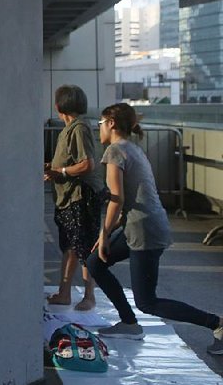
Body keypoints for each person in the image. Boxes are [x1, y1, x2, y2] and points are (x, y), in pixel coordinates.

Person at [86, 103, 223, 355]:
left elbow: (116, 200)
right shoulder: (133, 149)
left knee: (147, 302)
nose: (99, 129)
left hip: (144, 231)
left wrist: (104, 235)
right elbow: (126, 200)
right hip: (142, 226)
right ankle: (128, 323)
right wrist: (106, 235)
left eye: (100, 124)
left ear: (112, 124)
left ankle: (216, 324)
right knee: (95, 262)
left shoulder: (115, 152)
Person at [43, 85, 104, 311]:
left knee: (84, 246)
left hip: (81, 197)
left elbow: (87, 164)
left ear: (59, 106)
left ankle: (89, 295)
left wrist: (61, 172)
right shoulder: (70, 129)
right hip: (69, 197)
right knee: (71, 246)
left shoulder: (78, 129)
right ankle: (65, 292)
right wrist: (55, 168)